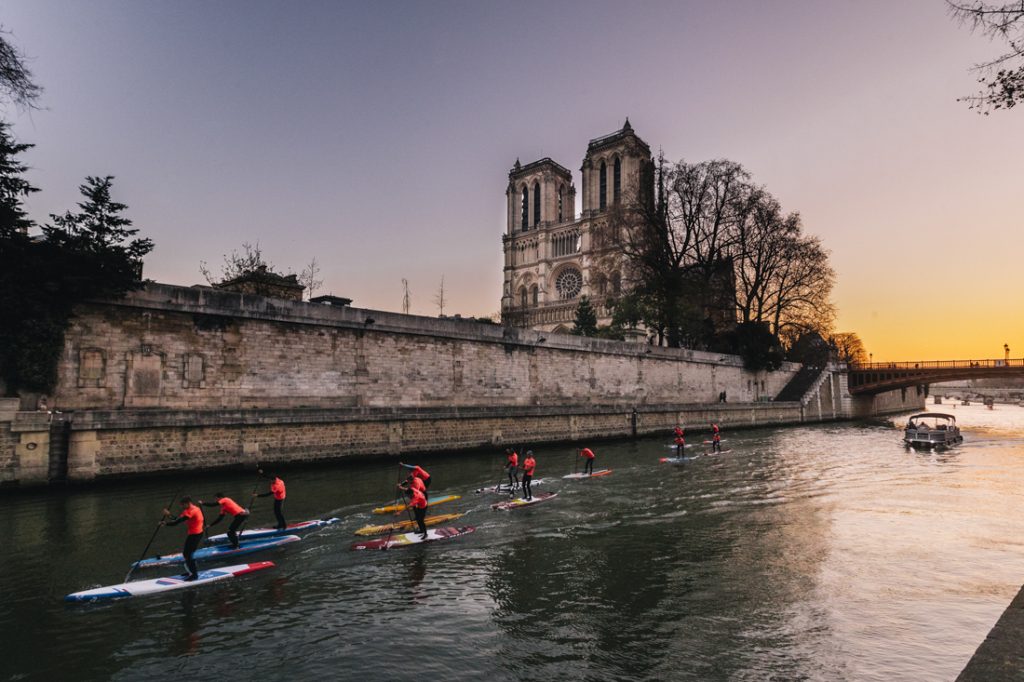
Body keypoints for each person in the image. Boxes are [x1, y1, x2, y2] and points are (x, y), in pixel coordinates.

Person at [162, 496, 205, 581]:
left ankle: (194, 575)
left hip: (196, 534)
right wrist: (168, 515)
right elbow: (176, 519)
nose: (181, 507)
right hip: (192, 534)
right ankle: (190, 571)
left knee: (188, 555)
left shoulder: (193, 510)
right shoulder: (187, 510)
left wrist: (166, 524)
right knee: (186, 554)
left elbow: (177, 522)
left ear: (188, 503)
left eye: (183, 505)